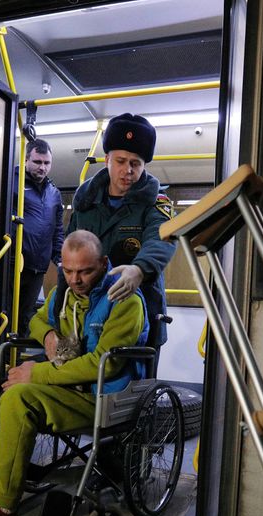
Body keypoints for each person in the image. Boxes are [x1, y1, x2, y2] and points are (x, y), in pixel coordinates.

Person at [0, 230, 148, 516]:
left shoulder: (124, 300)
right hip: (67, 391)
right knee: (14, 392)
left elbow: (102, 364)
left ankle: (3, 506)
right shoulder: (62, 295)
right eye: (67, 270)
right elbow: (37, 319)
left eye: (85, 271)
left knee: (19, 396)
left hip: (105, 400)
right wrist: (49, 336)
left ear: (104, 264)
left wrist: (35, 373)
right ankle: (5, 488)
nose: (75, 279)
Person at [64, 113, 176, 344]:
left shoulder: (157, 203)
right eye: (121, 161)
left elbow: (161, 239)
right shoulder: (85, 204)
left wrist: (140, 270)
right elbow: (67, 258)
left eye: (135, 164)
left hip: (140, 315)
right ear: (107, 160)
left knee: (139, 380)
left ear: (144, 165)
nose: (128, 170)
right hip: (88, 316)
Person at [11, 138, 64, 335]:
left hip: (37, 268)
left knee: (25, 318)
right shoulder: (11, 182)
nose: (42, 168)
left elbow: (57, 229)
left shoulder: (53, 193)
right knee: (5, 315)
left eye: (46, 163)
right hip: (13, 263)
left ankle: (15, 362)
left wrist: (60, 258)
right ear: (26, 160)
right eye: (37, 162)